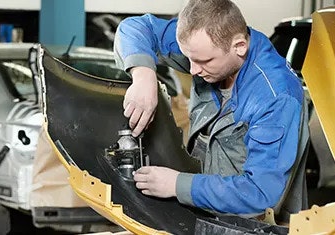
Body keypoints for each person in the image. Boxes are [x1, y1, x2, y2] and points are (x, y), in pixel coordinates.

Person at [114, 0, 309, 222]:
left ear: (239, 47)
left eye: (203, 61)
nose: (193, 70)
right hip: (204, 214)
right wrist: (143, 76)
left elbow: (261, 195)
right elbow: (135, 27)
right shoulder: (204, 45)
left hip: (254, 226)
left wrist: (176, 184)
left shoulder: (275, 97)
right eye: (189, 59)